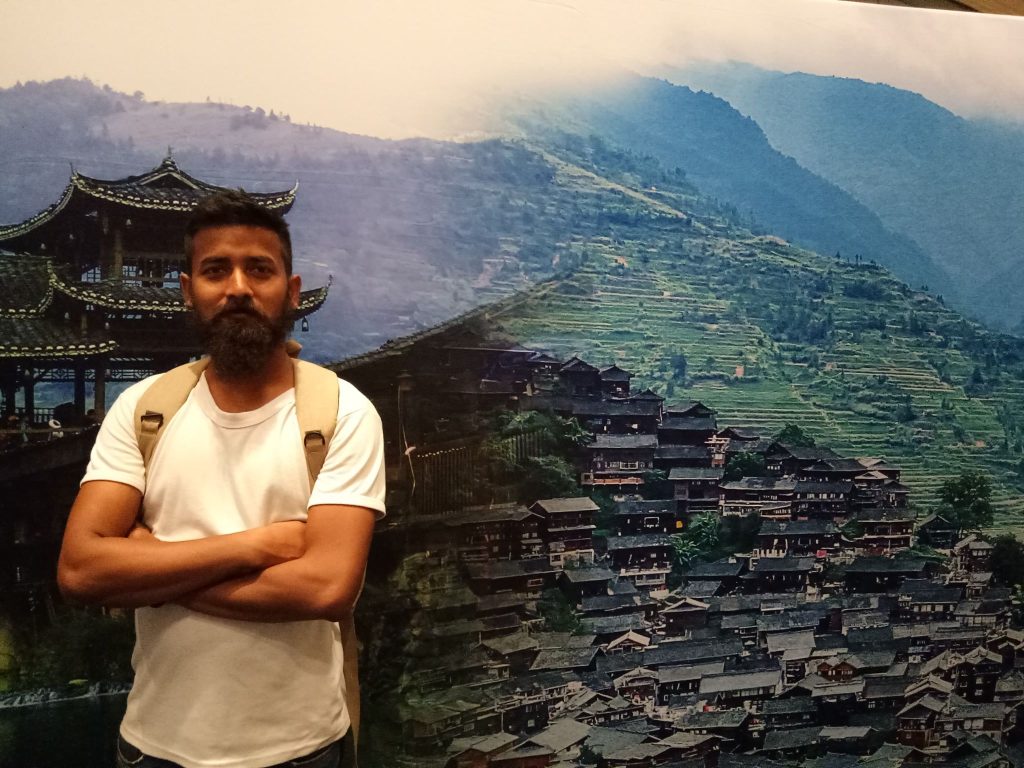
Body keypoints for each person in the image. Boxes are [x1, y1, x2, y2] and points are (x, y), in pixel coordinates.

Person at [57, 190, 386, 768]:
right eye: (216, 270)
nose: (238, 287)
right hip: (155, 746)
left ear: (291, 290)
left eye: (259, 269)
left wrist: (149, 568)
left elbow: (327, 589)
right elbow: (81, 569)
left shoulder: (342, 412)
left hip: (304, 750)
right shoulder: (143, 409)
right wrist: (254, 546)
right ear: (188, 290)